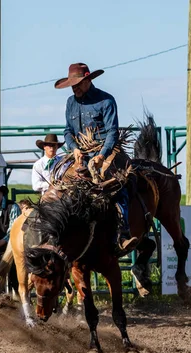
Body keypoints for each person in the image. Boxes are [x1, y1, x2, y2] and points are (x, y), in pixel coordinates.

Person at [55, 62, 135, 252]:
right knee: (59, 182)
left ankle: (123, 232)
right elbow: (67, 131)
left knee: (116, 184)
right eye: (72, 84)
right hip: (80, 153)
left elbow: (112, 132)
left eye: (78, 83)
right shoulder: (70, 102)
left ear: (88, 80)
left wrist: (101, 155)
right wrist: (74, 148)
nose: (75, 87)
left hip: (104, 150)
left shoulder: (106, 101)